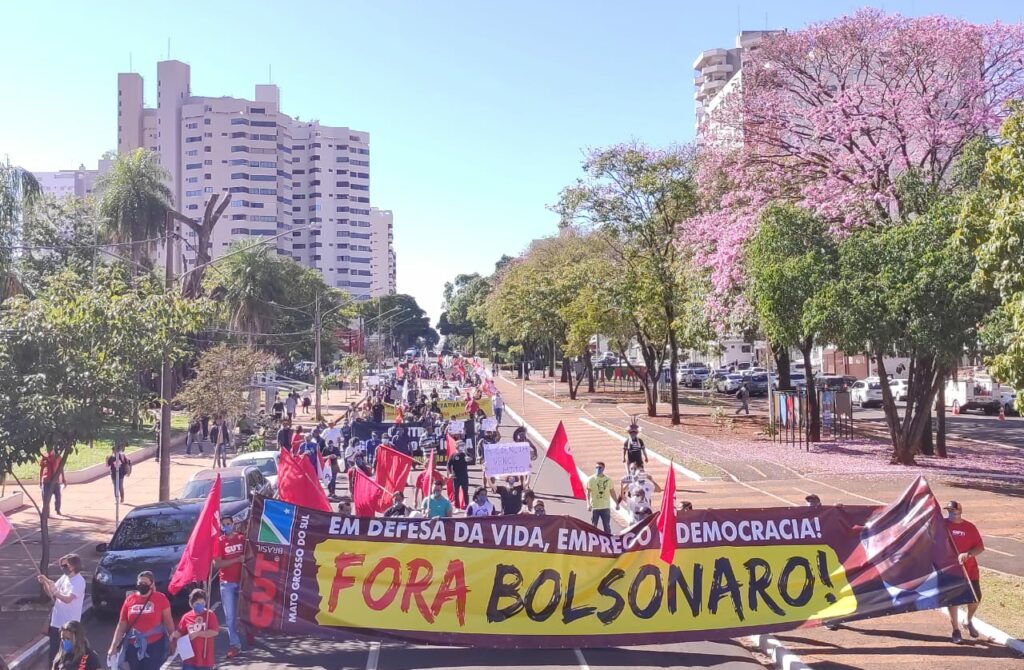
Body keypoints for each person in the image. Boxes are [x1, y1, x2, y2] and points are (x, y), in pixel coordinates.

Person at [107, 571, 174, 670]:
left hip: (154, 645)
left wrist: (173, 642)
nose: (142, 585)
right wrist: (113, 646)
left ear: (152, 585)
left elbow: (168, 623)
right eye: (140, 583)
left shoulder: (160, 599)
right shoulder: (130, 600)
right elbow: (121, 625)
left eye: (145, 584)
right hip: (133, 645)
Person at [945, 501, 985, 644]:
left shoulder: (969, 527)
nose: (951, 514)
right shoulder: (942, 525)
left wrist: (967, 554)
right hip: (950, 572)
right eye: (949, 511)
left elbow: (980, 548)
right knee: (953, 601)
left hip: (969, 570)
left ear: (960, 512)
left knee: (975, 598)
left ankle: (968, 621)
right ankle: (956, 630)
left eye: (953, 511)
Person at [39, 554, 86, 667]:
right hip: (56, 623)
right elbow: (52, 593)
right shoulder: (64, 578)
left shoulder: (79, 581)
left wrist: (55, 592)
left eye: (65, 565)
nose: (62, 567)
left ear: (73, 566)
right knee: (54, 655)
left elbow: (68, 599)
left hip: (70, 626)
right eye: (61, 565)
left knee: (69, 655)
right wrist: (45, 583)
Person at [214, 516, 245, 657]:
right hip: (227, 583)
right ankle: (235, 644)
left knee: (246, 611)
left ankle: (249, 633)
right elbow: (218, 564)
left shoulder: (241, 538)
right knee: (230, 616)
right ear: (221, 526)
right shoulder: (219, 542)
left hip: (243, 581)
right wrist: (237, 559)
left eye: (228, 523)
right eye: (224, 524)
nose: (226, 526)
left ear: (233, 524)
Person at [169, 588, 219, 670]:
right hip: (189, 657)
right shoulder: (186, 617)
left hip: (204, 658)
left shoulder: (209, 615)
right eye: (197, 603)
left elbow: (215, 631)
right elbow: (180, 631)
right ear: (191, 604)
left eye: (202, 603)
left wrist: (198, 633)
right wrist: (173, 635)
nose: (200, 606)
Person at [586, 461, 615, 533]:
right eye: (596, 467)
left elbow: (612, 492)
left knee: (607, 526)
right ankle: (593, 541)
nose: (598, 469)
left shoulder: (608, 480)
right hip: (595, 507)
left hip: (605, 507)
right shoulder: (591, 479)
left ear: (603, 468)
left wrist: (617, 503)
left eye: (599, 468)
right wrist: (588, 504)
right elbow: (588, 492)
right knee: (593, 526)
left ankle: (608, 540)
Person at [39, 449, 66, 517]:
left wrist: (63, 478)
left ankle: (57, 509)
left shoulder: (58, 457)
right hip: (46, 481)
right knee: (45, 498)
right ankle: (46, 512)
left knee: (58, 497)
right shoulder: (45, 457)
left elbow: (61, 468)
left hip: (55, 481)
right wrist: (40, 480)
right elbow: (42, 469)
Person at [446, 442, 471, 510]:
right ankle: (457, 507)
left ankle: (467, 506)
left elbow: (472, 459)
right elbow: (448, 465)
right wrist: (450, 473)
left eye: (462, 445)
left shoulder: (465, 454)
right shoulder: (453, 455)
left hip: (464, 476)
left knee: (465, 491)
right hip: (456, 477)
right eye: (459, 445)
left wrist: (469, 458)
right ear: (456, 446)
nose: (461, 446)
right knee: (456, 492)